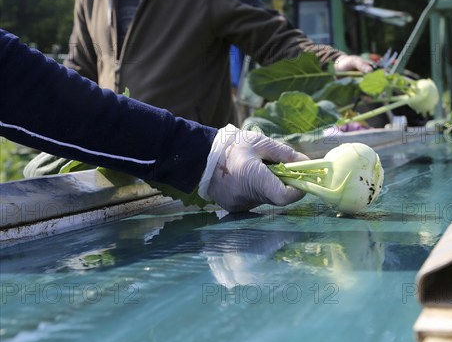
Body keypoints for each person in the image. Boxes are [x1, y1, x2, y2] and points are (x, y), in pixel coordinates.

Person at [0, 30, 308, 212]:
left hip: (173, 155)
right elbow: (55, 80)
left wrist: (202, 153)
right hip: (151, 154)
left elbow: (267, 31)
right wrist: (200, 154)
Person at [66, 0, 373, 127]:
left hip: (196, 167)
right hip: (117, 162)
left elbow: (274, 40)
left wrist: (330, 62)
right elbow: (79, 68)